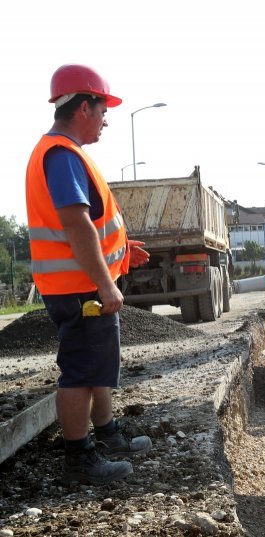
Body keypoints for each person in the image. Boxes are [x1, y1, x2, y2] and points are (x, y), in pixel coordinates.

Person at [25, 64, 152, 485]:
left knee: (96, 366)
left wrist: (120, 253)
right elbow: (75, 225)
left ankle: (107, 435)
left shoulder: (65, 153)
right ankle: (79, 461)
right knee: (81, 371)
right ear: (83, 106)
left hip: (78, 284)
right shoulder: (61, 155)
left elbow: (90, 227)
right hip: (80, 289)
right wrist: (104, 282)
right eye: (102, 108)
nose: (105, 118)